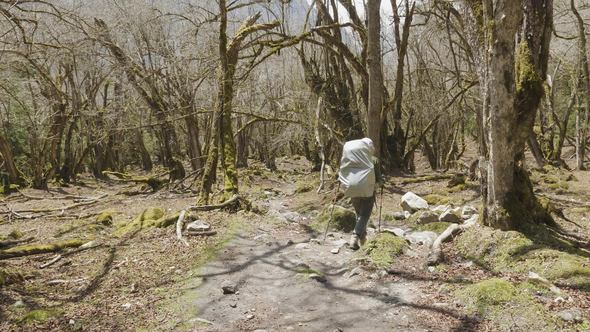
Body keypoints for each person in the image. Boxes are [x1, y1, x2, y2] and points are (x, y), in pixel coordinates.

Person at [338, 138, 382, 250]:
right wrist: (381, 183)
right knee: (365, 215)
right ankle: (354, 237)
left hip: (352, 190)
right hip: (367, 191)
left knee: (359, 215)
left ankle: (363, 240)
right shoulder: (373, 160)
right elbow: (379, 179)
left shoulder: (350, 160)